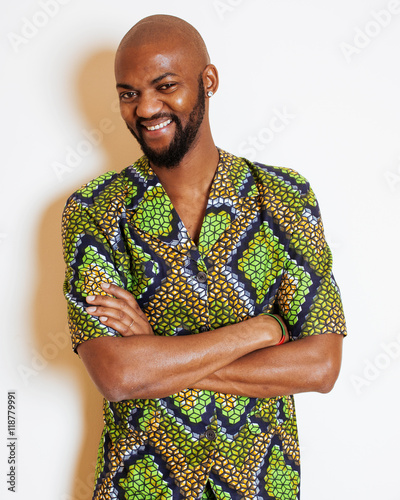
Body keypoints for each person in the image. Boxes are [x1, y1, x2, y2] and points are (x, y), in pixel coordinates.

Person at [62, 14, 346, 500]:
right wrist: (263, 331)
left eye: (165, 85)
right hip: (139, 485)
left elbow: (319, 367)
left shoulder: (283, 197)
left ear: (207, 81)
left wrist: (157, 352)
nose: (146, 107)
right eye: (128, 93)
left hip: (262, 486)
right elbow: (119, 375)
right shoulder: (94, 211)